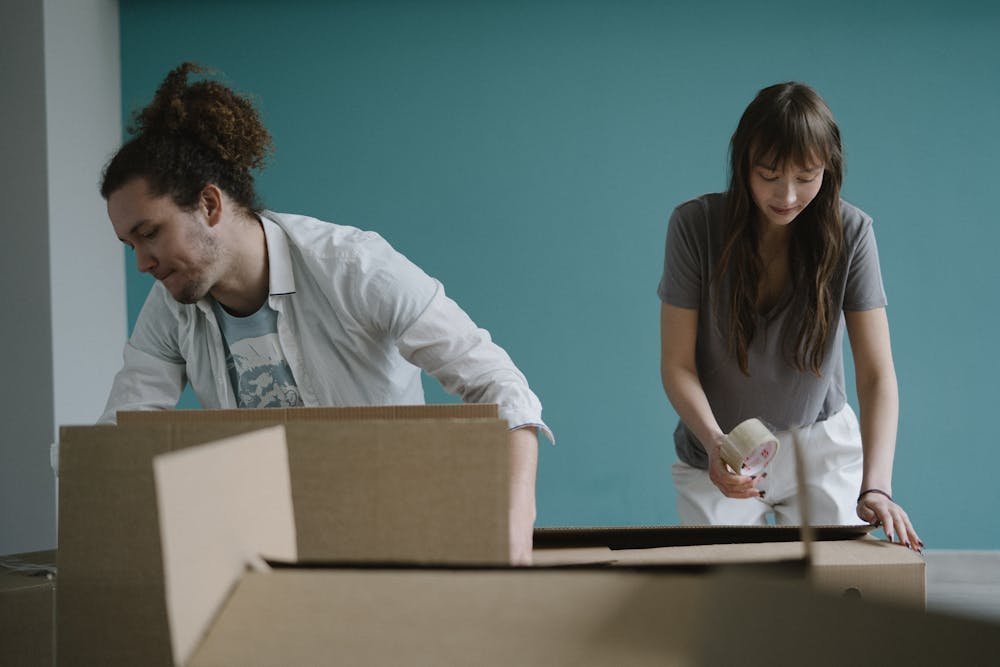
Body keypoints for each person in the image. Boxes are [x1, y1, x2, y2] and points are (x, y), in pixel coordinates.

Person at [97, 62, 551, 563]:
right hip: (265, 554)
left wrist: (512, 536)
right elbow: (119, 440)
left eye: (149, 233)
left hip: (392, 542)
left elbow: (501, 388)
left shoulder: (353, 266)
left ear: (209, 204)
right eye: (129, 245)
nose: (142, 263)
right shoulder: (170, 306)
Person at [658, 82, 921, 550]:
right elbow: (677, 364)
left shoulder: (852, 232)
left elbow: (878, 375)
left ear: (829, 169)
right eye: (768, 174)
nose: (787, 194)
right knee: (720, 597)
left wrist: (876, 486)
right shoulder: (694, 227)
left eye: (807, 176)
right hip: (723, 444)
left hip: (820, 443)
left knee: (834, 597)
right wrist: (716, 443)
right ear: (743, 168)